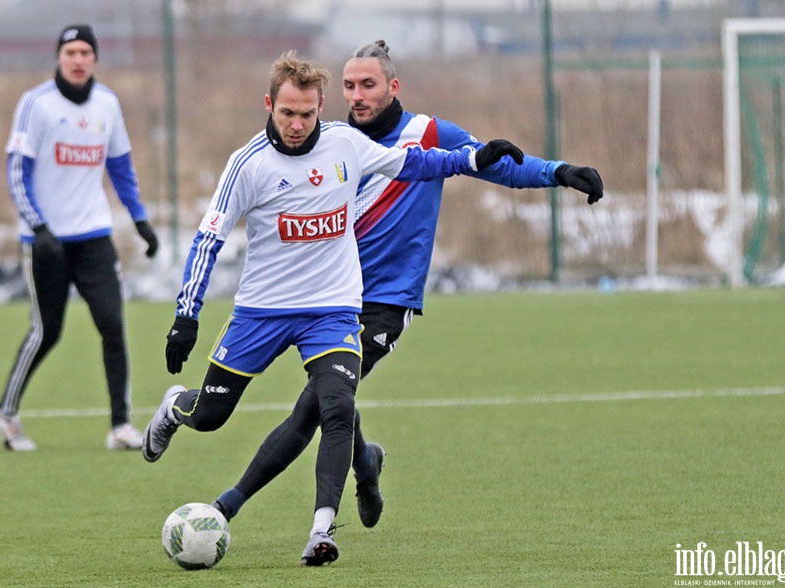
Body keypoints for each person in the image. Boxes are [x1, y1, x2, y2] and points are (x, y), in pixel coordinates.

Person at [202, 39, 606, 540]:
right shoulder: (331, 141)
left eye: (368, 84)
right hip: (324, 299)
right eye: (349, 86)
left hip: (386, 303)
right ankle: (365, 461)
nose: (357, 95)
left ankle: (225, 507)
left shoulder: (429, 133)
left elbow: (495, 162)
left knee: (313, 406)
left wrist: (560, 172)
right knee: (334, 400)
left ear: (393, 86)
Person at [141, 50, 523, 566]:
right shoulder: (247, 165)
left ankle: (321, 531)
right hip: (262, 311)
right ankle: (174, 407)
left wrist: (471, 159)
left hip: (333, 309)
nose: (297, 125)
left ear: (322, 106)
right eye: (287, 113)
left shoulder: (347, 143)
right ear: (269, 104)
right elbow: (208, 241)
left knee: (336, 406)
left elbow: (412, 162)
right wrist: (187, 315)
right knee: (210, 416)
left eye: (307, 114)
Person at [0, 24, 159, 452]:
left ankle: (121, 425)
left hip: (94, 236)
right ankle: (5, 412)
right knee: (47, 331)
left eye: (86, 51)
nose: (78, 59)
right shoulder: (37, 104)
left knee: (113, 326)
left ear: (95, 58)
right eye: (71, 52)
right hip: (45, 241)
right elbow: (16, 172)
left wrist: (139, 220)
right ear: (59, 58)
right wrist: (38, 226)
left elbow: (120, 166)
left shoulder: (107, 104)